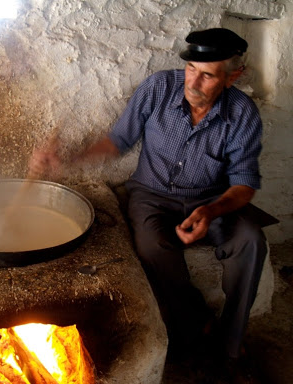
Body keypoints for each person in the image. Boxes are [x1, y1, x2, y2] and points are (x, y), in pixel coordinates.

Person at [30, 28, 267, 381]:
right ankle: (195, 324)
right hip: (152, 195)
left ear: (233, 76)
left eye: (207, 75)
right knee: (151, 245)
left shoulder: (243, 114)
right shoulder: (157, 88)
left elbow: (244, 183)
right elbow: (118, 141)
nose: (194, 82)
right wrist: (68, 161)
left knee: (251, 240)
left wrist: (210, 211)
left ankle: (229, 344)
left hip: (211, 200)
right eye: (190, 69)